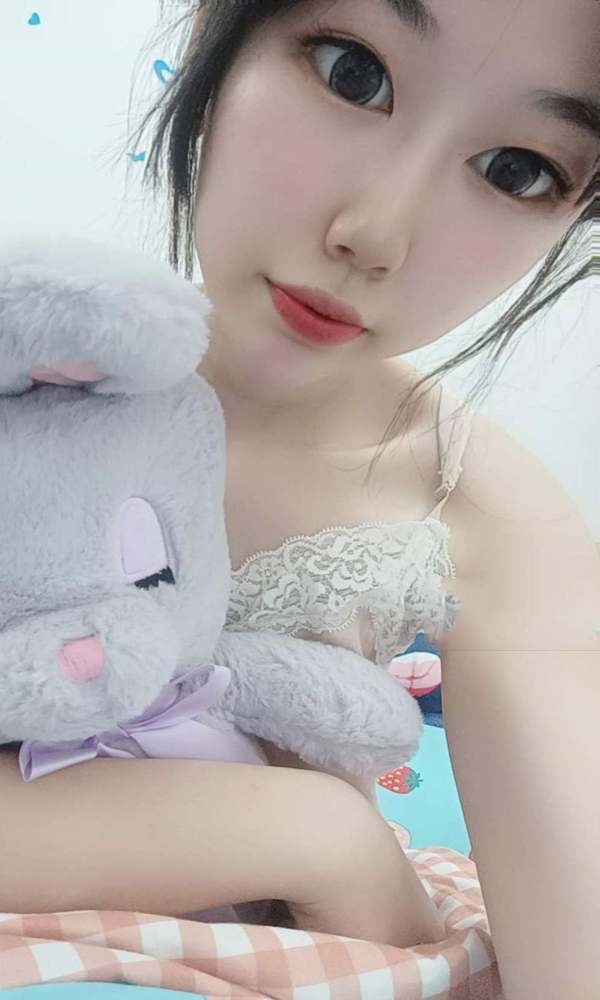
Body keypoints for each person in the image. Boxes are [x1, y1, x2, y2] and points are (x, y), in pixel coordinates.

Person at [1, 0, 599, 992]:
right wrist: (314, 836)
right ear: (214, 35)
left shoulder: (479, 510)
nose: (375, 234)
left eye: (517, 170)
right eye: (351, 72)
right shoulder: (31, 368)